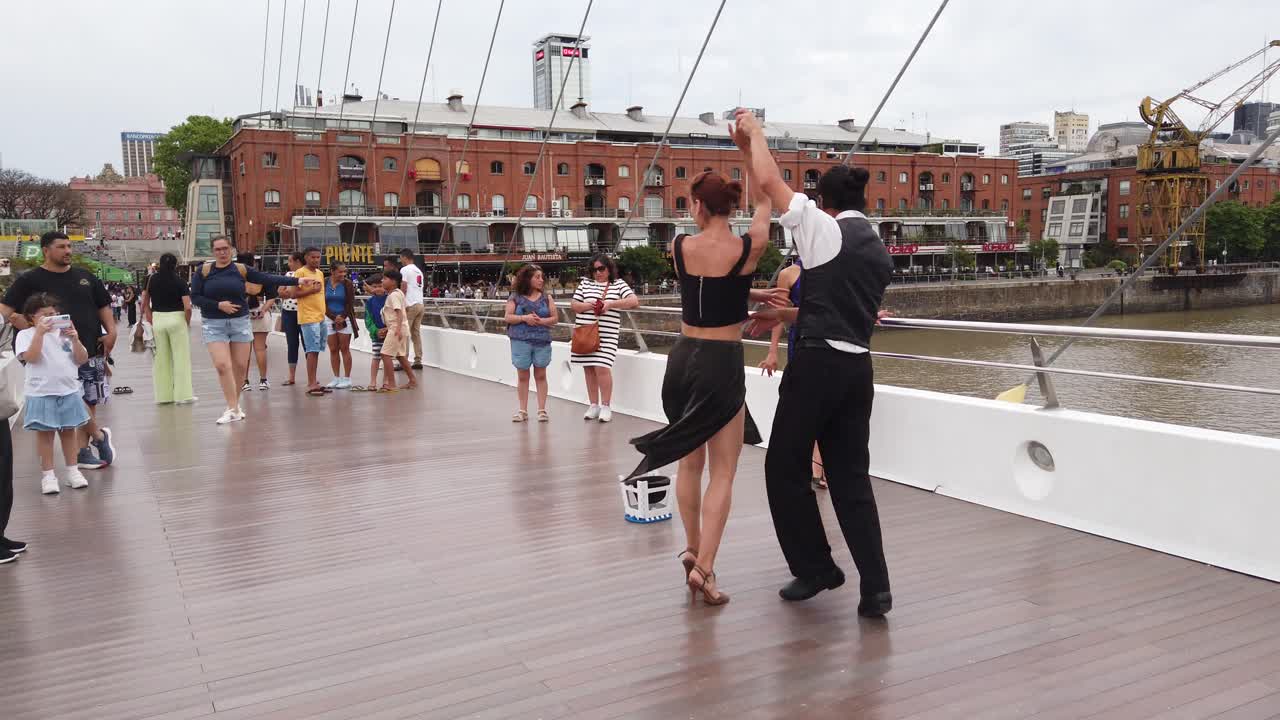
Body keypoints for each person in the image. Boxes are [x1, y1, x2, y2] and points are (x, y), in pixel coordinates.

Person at [737, 108, 894, 616]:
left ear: (823, 203)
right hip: (857, 370)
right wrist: (790, 311)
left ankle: (816, 567)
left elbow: (767, 181)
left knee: (783, 466)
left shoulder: (824, 232)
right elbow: (847, 307)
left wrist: (754, 133)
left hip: (818, 367)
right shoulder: (878, 248)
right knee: (852, 479)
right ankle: (876, 589)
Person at [622, 171, 780, 607]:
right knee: (723, 472)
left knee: (689, 464)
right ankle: (706, 569)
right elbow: (766, 202)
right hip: (721, 361)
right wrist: (752, 153)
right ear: (727, 207)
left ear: (698, 207)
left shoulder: (678, 247)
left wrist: (751, 291)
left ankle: (691, 548)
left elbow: (706, 292)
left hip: (682, 358)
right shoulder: (748, 248)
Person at [0, 231, 117, 470]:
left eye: (69, 246)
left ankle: (83, 451)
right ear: (46, 250)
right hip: (44, 353)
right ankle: (98, 436)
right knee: (70, 396)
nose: (68, 251)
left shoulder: (85, 277)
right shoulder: (28, 280)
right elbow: (6, 310)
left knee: (88, 399)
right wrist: (24, 325)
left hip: (86, 346)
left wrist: (111, 332)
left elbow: (103, 305)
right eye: (61, 247)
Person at [190, 236, 304, 424]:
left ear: (232, 249)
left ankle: (234, 408)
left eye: (225, 248)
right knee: (222, 366)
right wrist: (219, 305)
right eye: (218, 249)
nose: (222, 252)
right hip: (213, 323)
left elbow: (267, 278)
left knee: (241, 367)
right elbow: (195, 297)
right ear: (213, 251)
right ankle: (233, 407)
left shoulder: (240, 270)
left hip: (240, 323)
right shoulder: (203, 271)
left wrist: (299, 281)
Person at [760, 259, 826, 491]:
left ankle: (818, 463)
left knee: (822, 402)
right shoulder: (788, 274)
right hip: (800, 342)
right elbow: (779, 314)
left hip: (828, 339)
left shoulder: (830, 265)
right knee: (805, 402)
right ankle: (814, 463)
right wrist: (772, 352)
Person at [15, 294, 92, 495]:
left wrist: (75, 339)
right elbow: (30, 358)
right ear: (32, 317)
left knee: (69, 432)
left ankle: (73, 472)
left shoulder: (64, 333)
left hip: (68, 389)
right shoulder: (25, 335)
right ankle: (48, 476)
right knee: (45, 435)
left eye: (54, 313)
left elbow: (82, 358)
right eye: (45, 315)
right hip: (41, 392)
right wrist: (39, 334)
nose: (52, 317)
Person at [570, 255, 638, 423]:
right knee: (589, 368)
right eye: (594, 269)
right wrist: (591, 305)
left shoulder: (618, 284)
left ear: (609, 269)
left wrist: (610, 304)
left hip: (607, 335)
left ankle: (606, 406)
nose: (598, 272)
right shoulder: (585, 284)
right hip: (585, 333)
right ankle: (593, 405)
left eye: (601, 269)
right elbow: (574, 305)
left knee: (602, 367)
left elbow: (634, 301)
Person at [504, 264, 558, 423]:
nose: (541, 280)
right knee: (523, 375)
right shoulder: (515, 297)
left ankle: (542, 410)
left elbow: (555, 319)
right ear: (528, 279)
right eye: (537, 277)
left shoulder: (547, 298)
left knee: (541, 375)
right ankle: (523, 410)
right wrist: (524, 318)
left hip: (541, 341)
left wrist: (541, 321)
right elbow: (508, 317)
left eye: (541, 277)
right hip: (520, 341)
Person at [142, 253, 195, 405]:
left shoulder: (150, 280)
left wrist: (151, 319)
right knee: (181, 358)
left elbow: (144, 303)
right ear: (175, 265)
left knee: (161, 360)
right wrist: (187, 322)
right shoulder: (180, 281)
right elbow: (188, 307)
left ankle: (164, 396)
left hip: (158, 319)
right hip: (177, 319)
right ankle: (183, 395)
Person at [239, 253, 277, 392]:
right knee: (260, 349)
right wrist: (263, 311)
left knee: (245, 351)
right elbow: (272, 297)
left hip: (243, 316)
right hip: (261, 313)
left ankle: (244, 381)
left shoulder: (236, 278)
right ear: (253, 263)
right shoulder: (262, 277)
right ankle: (263, 380)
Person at [293, 247, 328, 396]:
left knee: (317, 350)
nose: (316, 260)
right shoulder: (300, 273)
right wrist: (311, 291)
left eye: (318, 257)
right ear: (306, 258)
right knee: (311, 350)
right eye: (313, 257)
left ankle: (314, 380)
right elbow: (294, 293)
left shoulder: (320, 273)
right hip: (308, 317)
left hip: (320, 316)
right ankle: (311, 383)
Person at [378, 269, 417, 392]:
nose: (382, 281)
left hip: (397, 329)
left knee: (385, 354)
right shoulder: (399, 293)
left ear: (393, 282)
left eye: (385, 279)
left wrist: (397, 329)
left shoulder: (393, 295)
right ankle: (412, 380)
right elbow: (405, 310)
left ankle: (391, 383)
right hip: (400, 327)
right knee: (400, 356)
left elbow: (398, 312)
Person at [323, 262, 360, 390]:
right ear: (332, 271)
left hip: (345, 318)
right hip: (328, 319)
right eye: (340, 271)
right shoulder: (324, 282)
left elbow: (350, 302)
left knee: (344, 348)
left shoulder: (347, 283)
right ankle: (336, 377)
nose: (343, 274)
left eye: (345, 271)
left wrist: (342, 317)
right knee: (333, 349)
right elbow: (322, 303)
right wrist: (333, 317)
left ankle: (347, 378)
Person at [276, 252, 305, 386]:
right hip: (288, 313)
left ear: (298, 261)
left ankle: (311, 375)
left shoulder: (306, 274)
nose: (289, 264)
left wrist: (291, 293)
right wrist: (292, 293)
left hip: (304, 312)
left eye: (290, 261)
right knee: (291, 344)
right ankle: (291, 376)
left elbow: (291, 293)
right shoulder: (288, 275)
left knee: (308, 345)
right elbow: (280, 292)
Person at [398, 249, 426, 370]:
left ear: (405, 257)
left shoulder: (404, 270)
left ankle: (404, 361)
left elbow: (403, 286)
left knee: (405, 333)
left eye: (401, 258)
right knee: (416, 333)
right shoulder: (418, 271)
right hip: (420, 304)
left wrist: (400, 301)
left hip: (410, 304)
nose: (400, 261)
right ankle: (418, 360)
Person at [361, 275, 388, 391]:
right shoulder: (370, 302)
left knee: (388, 358)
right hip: (376, 335)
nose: (378, 288)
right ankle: (373, 381)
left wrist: (388, 330)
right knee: (376, 357)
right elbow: (368, 320)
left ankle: (386, 381)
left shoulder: (390, 298)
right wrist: (375, 331)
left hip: (389, 334)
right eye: (374, 286)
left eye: (380, 286)